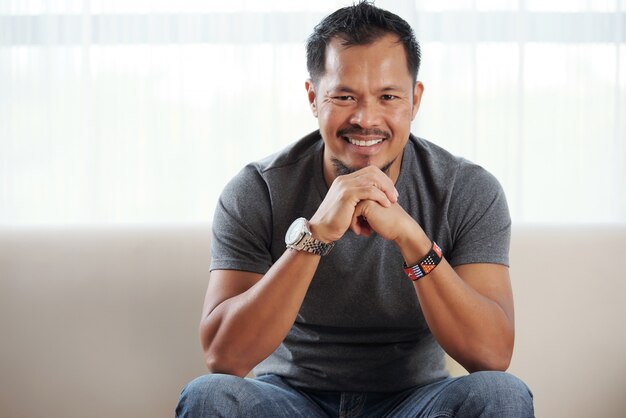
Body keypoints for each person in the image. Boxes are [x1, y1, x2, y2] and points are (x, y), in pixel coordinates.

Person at [176, 1, 534, 417]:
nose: (366, 119)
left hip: (416, 402)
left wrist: (412, 239)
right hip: (291, 400)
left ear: (415, 100)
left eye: (388, 96)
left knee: (501, 393)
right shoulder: (258, 189)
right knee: (209, 395)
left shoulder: (466, 189)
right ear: (313, 98)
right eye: (344, 96)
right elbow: (224, 357)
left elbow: (490, 354)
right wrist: (315, 236)